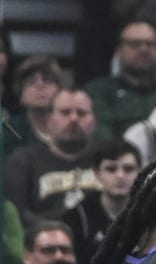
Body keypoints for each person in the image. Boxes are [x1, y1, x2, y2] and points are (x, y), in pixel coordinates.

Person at [6, 87, 99, 227]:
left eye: (81, 113)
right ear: (49, 121)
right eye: (65, 112)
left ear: (94, 121)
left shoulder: (107, 158)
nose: (73, 119)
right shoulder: (23, 160)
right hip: (44, 242)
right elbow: (18, 213)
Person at [64, 139, 141, 264]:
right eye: (111, 169)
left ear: (140, 172)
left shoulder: (152, 214)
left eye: (128, 169)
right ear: (96, 173)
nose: (120, 176)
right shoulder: (77, 218)